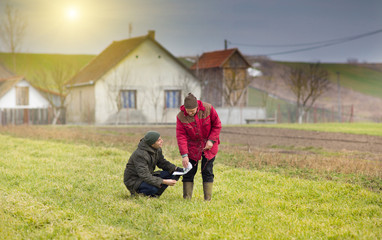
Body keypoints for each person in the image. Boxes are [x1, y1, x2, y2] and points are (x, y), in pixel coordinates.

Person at [176, 93, 222, 201]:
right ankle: (187, 198)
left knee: (207, 171)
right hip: (192, 147)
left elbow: (217, 125)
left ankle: (207, 199)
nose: (190, 113)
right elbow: (181, 136)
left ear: (197, 106)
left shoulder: (208, 109)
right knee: (189, 171)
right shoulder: (181, 116)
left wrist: (211, 140)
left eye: (192, 111)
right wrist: (184, 155)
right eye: (188, 111)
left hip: (209, 146)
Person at [123, 131, 184, 197]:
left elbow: (162, 162)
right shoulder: (140, 154)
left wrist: (175, 168)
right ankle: (137, 193)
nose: (162, 141)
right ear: (152, 144)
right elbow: (144, 175)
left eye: (161, 138)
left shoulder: (157, 149)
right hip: (135, 181)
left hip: (148, 176)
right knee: (153, 189)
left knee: (173, 173)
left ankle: (155, 195)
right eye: (158, 140)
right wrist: (165, 181)